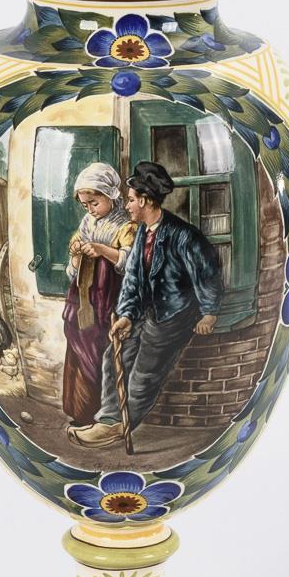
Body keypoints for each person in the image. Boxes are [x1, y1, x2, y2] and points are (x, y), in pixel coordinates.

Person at [68, 161, 223, 448]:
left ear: (144, 200)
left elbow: (208, 274)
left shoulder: (183, 235)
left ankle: (122, 425)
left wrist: (209, 312)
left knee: (144, 371)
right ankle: (108, 420)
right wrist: (127, 315)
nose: (126, 205)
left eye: (129, 200)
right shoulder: (142, 233)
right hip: (145, 311)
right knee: (113, 355)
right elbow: (132, 278)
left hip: (173, 313)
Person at [61, 164, 137, 426]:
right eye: (85, 205)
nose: (90, 209)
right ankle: (80, 411)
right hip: (83, 294)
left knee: (99, 348)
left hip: (108, 296)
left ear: (111, 195)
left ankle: (101, 414)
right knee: (78, 344)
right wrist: (76, 254)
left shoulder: (125, 225)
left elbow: (129, 262)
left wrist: (102, 250)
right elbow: (73, 269)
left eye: (94, 203)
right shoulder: (86, 223)